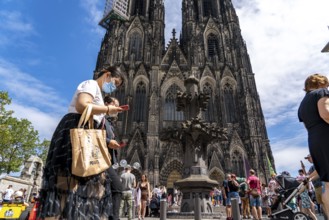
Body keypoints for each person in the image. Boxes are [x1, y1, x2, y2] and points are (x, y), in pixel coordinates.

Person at [38, 65, 125, 219]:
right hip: (77, 132)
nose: (113, 88)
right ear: (107, 74)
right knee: (68, 183)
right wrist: (107, 110)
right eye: (115, 83)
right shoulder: (90, 84)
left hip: (85, 136)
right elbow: (81, 105)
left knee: (78, 185)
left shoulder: (97, 91)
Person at [298, 73, 329, 218]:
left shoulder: (303, 104)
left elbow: (307, 126)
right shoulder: (321, 92)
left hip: (315, 140)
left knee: (328, 185)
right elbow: (325, 114)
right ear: (320, 83)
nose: (327, 87)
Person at [103, 95, 125, 220]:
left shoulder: (108, 122)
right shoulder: (100, 118)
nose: (118, 110)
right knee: (116, 187)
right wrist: (108, 142)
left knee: (113, 189)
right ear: (106, 104)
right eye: (116, 106)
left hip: (106, 160)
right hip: (99, 160)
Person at [306, 154, 327, 218]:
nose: (308, 160)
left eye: (309, 158)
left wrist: (310, 179)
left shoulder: (318, 164)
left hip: (322, 185)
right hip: (316, 187)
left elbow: (318, 174)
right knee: (322, 204)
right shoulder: (311, 167)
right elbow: (307, 175)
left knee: (325, 203)